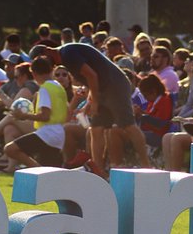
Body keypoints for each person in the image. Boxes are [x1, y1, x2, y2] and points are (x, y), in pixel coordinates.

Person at [33, 42, 151, 174]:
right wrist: (90, 100)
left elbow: (92, 75)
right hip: (102, 88)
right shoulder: (65, 57)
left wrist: (95, 101)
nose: (47, 65)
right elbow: (91, 77)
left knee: (128, 125)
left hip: (115, 85)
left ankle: (147, 166)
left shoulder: (68, 54)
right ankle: (99, 171)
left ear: (48, 51)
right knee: (96, 129)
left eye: (43, 60)